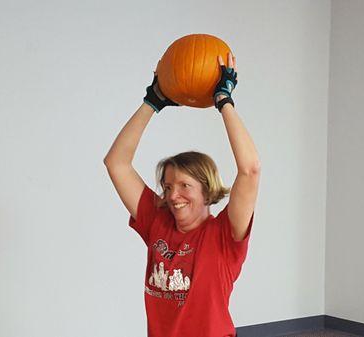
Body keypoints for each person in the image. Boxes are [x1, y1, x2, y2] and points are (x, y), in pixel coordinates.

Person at [103, 53, 261, 337]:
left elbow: (249, 170)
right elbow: (116, 163)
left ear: (207, 189)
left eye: (184, 186)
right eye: (167, 186)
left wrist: (224, 101)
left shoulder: (224, 236)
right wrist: (151, 103)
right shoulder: (158, 222)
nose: (173, 195)